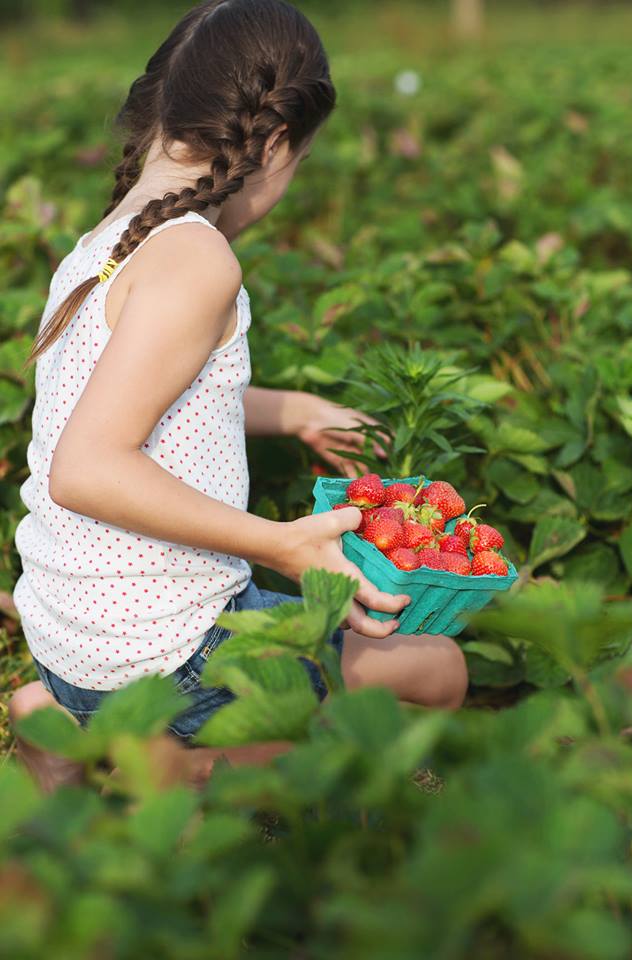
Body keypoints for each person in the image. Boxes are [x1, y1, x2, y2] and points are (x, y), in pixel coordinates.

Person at [8, 0, 468, 794]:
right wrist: (279, 542)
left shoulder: (104, 245)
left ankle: (57, 719)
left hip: (70, 633)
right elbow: (85, 467)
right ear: (280, 142)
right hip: (166, 654)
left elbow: (151, 402)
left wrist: (289, 410)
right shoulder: (198, 260)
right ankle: (168, 763)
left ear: (158, 108)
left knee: (283, 631)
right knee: (435, 671)